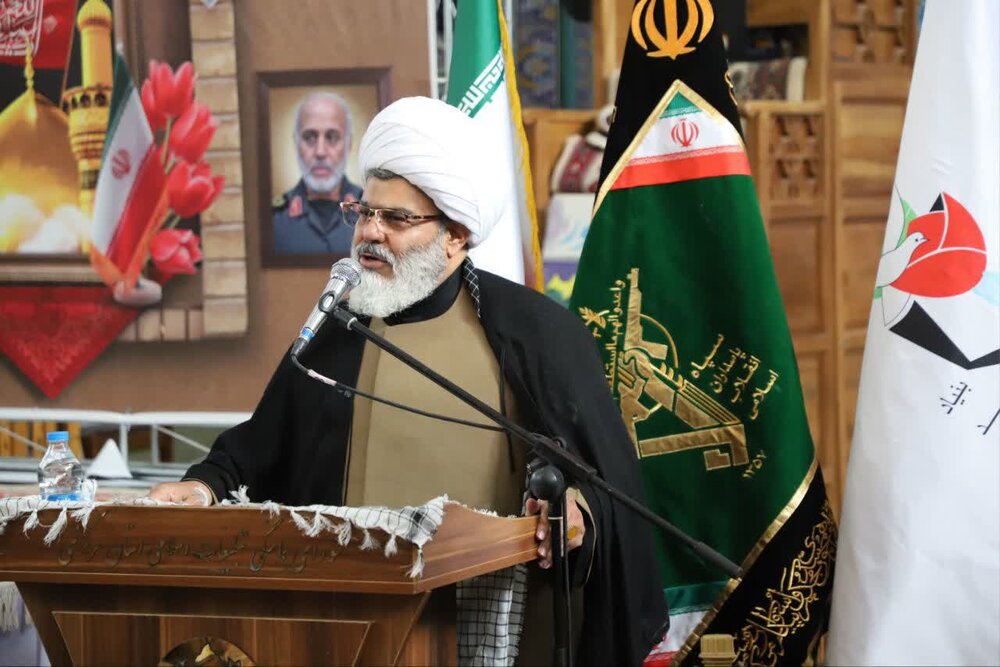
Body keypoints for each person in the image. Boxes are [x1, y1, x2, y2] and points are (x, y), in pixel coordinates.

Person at [151, 96, 668, 665]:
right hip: (343, 624)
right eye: (363, 212)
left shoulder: (535, 332)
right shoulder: (341, 327)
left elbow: (602, 482)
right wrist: (204, 487)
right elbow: (258, 450)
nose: (369, 233)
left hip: (488, 629)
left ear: (456, 234)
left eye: (396, 219)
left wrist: (575, 513)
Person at [271, 91, 363, 255]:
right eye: (309, 138)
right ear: (296, 143)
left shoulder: (370, 212)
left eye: (332, 137)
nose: (320, 152)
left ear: (348, 144)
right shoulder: (273, 218)